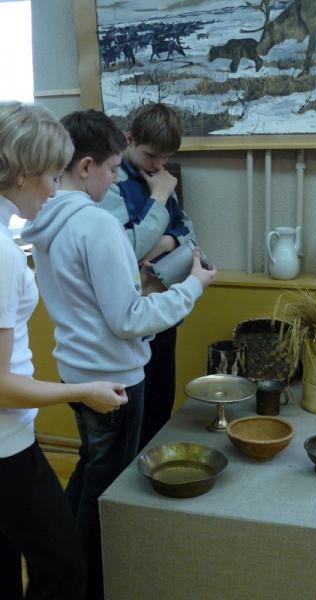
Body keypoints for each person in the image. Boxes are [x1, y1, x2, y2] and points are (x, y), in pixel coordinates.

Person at [22, 109, 216, 600]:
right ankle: (87, 583)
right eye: (111, 168)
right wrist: (193, 286)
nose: (115, 180)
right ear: (86, 166)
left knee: (91, 467)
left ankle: (65, 572)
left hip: (76, 370)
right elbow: (129, 318)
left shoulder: (45, 218)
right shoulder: (96, 224)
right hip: (113, 380)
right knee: (107, 489)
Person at [0, 101, 127, 600]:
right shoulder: (4, 256)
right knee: (64, 566)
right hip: (6, 443)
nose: (54, 191)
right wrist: (83, 391)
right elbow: (1, 386)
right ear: (22, 173)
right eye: (53, 177)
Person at [99, 102, 196, 449]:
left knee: (160, 406)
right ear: (129, 139)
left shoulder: (160, 176)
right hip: (132, 315)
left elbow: (189, 232)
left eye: (165, 157)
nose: (158, 165)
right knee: (132, 424)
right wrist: (160, 197)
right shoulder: (111, 183)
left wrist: (165, 242)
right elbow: (126, 250)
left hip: (164, 304)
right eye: (152, 155)